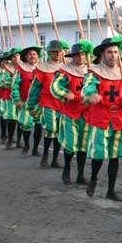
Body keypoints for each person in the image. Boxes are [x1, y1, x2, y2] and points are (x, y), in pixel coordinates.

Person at [81, 35, 122, 201]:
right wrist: (91, 94)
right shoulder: (94, 72)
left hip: (118, 118)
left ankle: (111, 190)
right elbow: (86, 89)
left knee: (114, 156)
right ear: (103, 54)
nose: (113, 55)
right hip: (100, 118)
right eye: (110, 52)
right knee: (98, 154)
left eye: (116, 52)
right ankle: (93, 178)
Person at [51, 40, 93, 185]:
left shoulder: (92, 71)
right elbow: (54, 87)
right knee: (71, 144)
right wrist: (65, 93)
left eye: (82, 54)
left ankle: (80, 175)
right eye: (77, 55)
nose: (80, 57)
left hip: (87, 114)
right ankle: (67, 169)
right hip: (70, 113)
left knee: (83, 145)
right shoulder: (65, 71)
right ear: (72, 56)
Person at [27, 40, 69, 168]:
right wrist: (31, 105)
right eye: (53, 52)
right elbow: (34, 88)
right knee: (51, 129)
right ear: (49, 53)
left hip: (63, 105)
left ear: (62, 52)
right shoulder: (42, 68)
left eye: (58, 51)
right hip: (48, 103)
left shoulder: (67, 68)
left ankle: (55, 159)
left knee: (60, 132)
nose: (56, 54)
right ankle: (45, 155)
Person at [12, 46, 42, 156]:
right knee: (26, 124)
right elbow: (14, 85)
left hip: (39, 102)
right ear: (26, 57)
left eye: (34, 54)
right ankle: (26, 145)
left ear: (38, 56)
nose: (32, 56)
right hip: (25, 102)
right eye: (30, 54)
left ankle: (35, 148)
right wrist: (17, 99)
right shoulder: (20, 69)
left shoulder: (42, 69)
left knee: (38, 125)